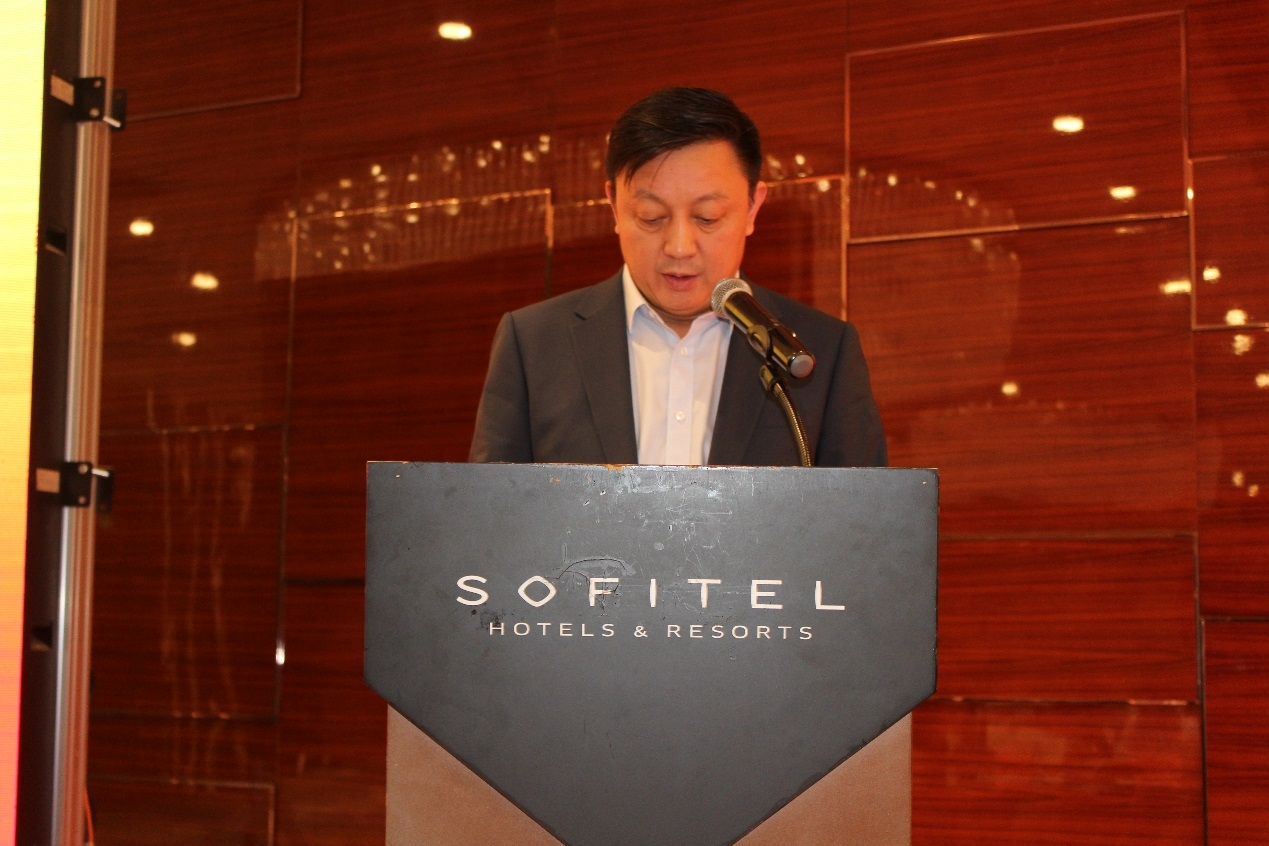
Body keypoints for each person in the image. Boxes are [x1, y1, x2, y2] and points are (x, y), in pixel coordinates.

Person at [469, 87, 886, 467]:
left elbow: (864, 519)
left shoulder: (820, 353)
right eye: (652, 217)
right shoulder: (533, 345)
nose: (680, 247)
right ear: (614, 206)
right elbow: (489, 514)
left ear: (752, 208)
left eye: (708, 217)